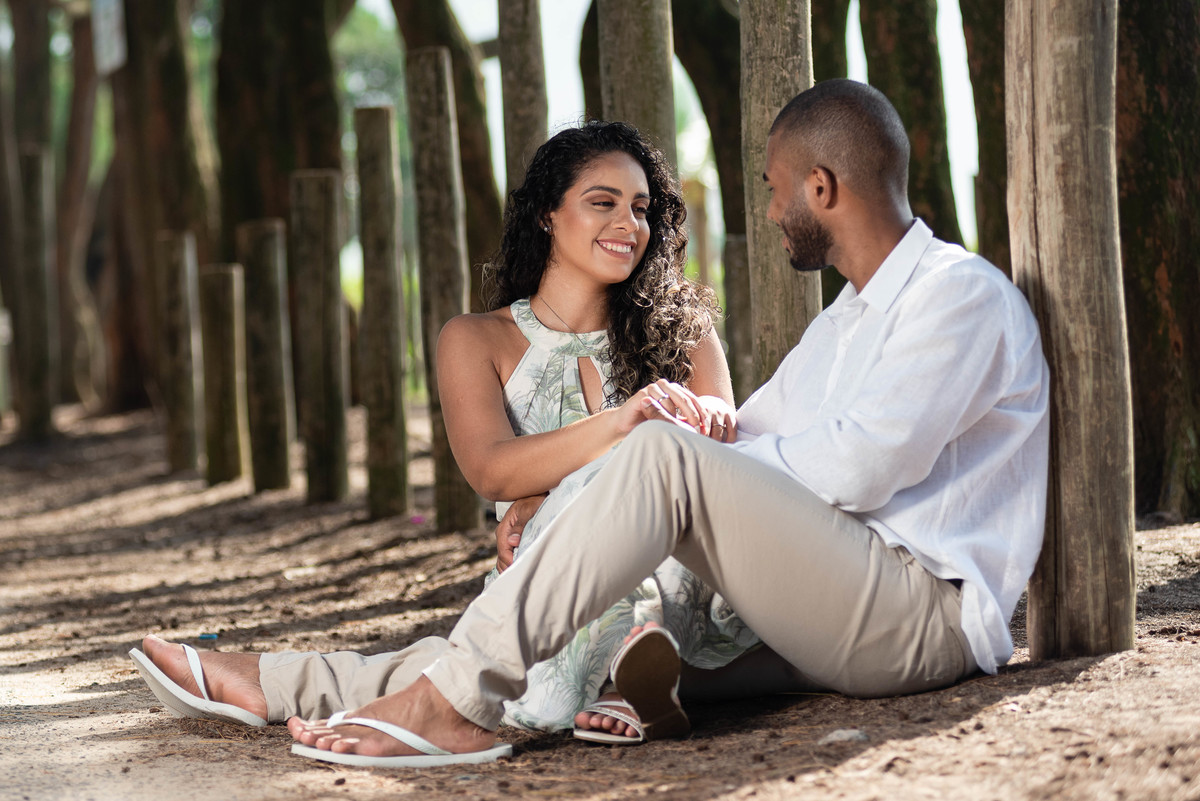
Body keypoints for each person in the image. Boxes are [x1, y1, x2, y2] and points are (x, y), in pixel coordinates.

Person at [285, 78, 1051, 768]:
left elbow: (854, 469)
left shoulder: (959, 297)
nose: (773, 212)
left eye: (778, 190)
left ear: (822, 186)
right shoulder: (848, 318)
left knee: (661, 454)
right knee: (574, 656)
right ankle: (285, 684)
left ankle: (448, 701)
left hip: (919, 614)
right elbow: (741, 440)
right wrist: (571, 497)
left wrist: (647, 464)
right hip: (839, 597)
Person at [130, 121, 760, 747]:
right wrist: (608, 437)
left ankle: (275, 682)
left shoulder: (687, 333)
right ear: (547, 215)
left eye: (642, 209)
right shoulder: (476, 339)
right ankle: (619, 677)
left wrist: (557, 486)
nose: (630, 224)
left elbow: (713, 470)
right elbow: (490, 470)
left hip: (687, 584)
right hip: (547, 592)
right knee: (571, 559)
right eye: (603, 203)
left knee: (660, 467)